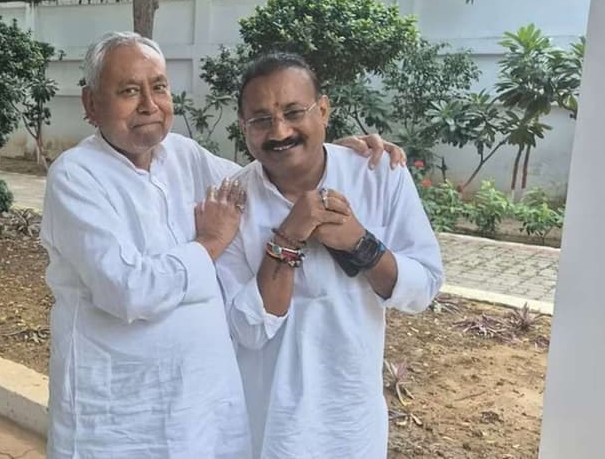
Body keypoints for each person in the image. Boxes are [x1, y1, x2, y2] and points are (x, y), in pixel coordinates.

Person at [40, 32, 405, 458]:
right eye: (128, 91)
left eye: (159, 87)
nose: (149, 105)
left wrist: (321, 152)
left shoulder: (184, 156)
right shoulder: (76, 176)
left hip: (198, 410)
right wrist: (210, 243)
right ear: (91, 104)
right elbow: (126, 291)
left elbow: (265, 179)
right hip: (119, 412)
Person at [216, 52, 444, 459]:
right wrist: (288, 236)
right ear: (243, 127)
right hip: (267, 423)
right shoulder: (232, 200)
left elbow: (423, 286)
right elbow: (247, 330)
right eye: (261, 119)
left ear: (323, 110)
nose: (280, 131)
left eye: (293, 112)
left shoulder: (377, 174)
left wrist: (361, 243)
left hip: (350, 421)